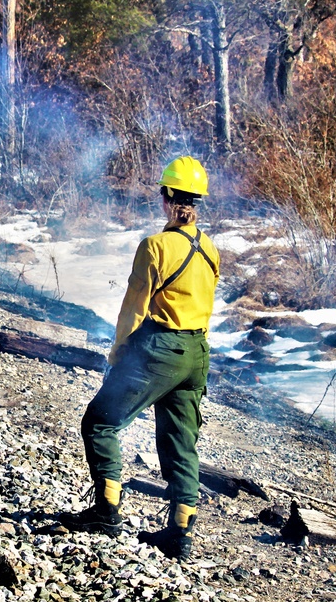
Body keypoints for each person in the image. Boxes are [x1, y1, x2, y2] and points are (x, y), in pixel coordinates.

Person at [59, 156, 220, 561]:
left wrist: (118, 354)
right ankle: (179, 534)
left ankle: (106, 512)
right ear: (196, 201)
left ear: (165, 197)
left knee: (99, 422)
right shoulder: (212, 250)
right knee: (182, 443)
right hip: (198, 353)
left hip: (159, 349)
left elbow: (134, 309)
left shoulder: (155, 246)